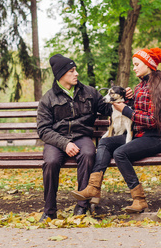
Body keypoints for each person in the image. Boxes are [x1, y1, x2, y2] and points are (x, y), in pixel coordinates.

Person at [71, 47, 161, 213]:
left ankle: (139, 199)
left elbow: (153, 120)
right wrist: (129, 99)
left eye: (136, 64)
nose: (133, 68)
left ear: (148, 64)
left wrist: (125, 110)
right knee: (105, 142)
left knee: (120, 153)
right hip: (139, 135)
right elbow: (137, 109)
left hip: (155, 138)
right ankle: (93, 188)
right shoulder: (140, 86)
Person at [37, 54, 113, 221]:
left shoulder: (90, 92)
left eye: (76, 70)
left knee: (88, 154)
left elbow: (108, 109)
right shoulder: (48, 99)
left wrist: (124, 95)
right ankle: (49, 211)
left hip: (81, 136)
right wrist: (64, 144)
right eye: (71, 71)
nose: (76, 73)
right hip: (56, 140)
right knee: (50, 162)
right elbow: (43, 130)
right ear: (61, 75)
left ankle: (81, 208)